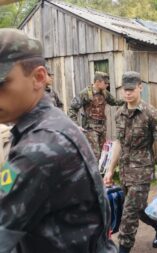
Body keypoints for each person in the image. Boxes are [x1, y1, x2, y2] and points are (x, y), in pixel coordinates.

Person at [0, 28, 117, 252]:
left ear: (38, 78)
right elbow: (74, 108)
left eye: (1, 84)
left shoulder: (40, 147)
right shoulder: (45, 126)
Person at [103, 71, 157, 253]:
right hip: (124, 171)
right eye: (125, 89)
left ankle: (123, 249)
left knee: (129, 215)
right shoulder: (119, 113)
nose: (128, 93)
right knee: (138, 209)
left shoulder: (151, 113)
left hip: (141, 172)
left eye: (132, 89)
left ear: (140, 87)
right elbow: (118, 143)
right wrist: (109, 169)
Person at [68, 71, 124, 160]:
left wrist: (127, 101)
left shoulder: (105, 93)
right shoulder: (86, 93)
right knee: (95, 155)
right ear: (97, 82)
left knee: (103, 154)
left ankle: (101, 173)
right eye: (105, 83)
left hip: (102, 127)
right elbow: (72, 109)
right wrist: (76, 125)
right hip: (90, 128)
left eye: (108, 83)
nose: (107, 85)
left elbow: (115, 102)